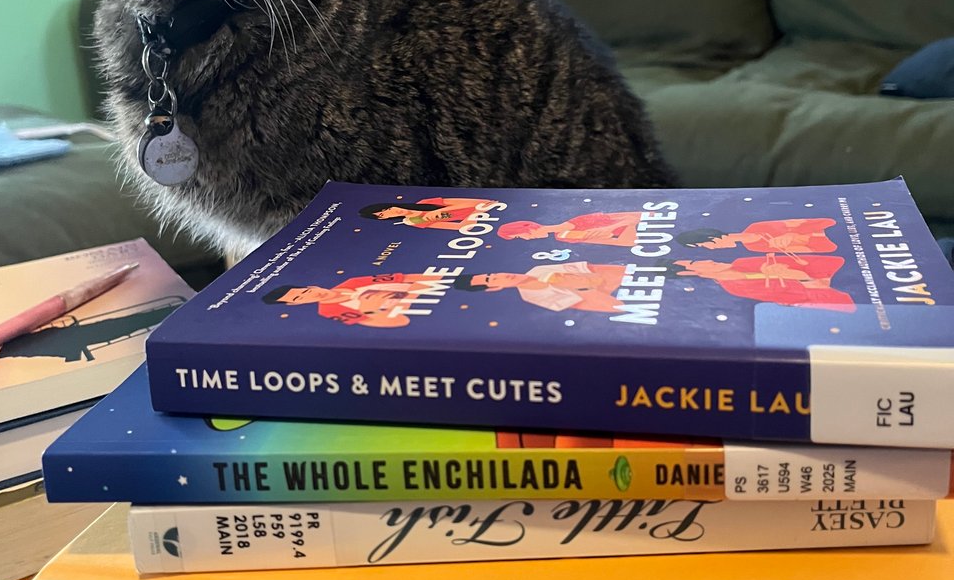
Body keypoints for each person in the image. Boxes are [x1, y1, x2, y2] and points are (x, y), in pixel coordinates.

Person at [670, 253, 855, 310]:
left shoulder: (742, 261)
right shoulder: (735, 289)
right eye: (697, 263)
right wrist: (801, 277)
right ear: (695, 274)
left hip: (846, 274)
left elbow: (831, 260)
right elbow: (795, 297)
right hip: (838, 298)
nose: (708, 260)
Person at [262, 272, 443, 327]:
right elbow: (396, 323)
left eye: (304, 292)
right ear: (296, 304)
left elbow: (411, 278)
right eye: (299, 299)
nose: (310, 296)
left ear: (312, 287)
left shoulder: (353, 282)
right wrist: (368, 308)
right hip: (425, 314)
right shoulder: (330, 311)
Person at [453, 263, 628, 314]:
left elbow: (615, 271)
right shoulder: (535, 297)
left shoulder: (540, 269)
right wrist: (574, 285)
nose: (502, 275)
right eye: (492, 280)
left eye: (493, 272)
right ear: (495, 288)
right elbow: (611, 306)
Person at [676, 217, 837, 254]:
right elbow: (820, 249)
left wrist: (793, 234)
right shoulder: (754, 248)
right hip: (829, 243)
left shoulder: (757, 226)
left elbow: (823, 221)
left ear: (708, 236)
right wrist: (798, 241)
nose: (710, 249)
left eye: (704, 245)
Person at [498, 211, 643, 246]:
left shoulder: (577, 219)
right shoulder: (563, 236)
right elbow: (627, 242)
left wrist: (613, 227)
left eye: (518, 236)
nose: (525, 238)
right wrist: (626, 225)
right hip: (645, 238)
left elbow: (635, 216)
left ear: (524, 228)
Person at [358, 198, 499, 230]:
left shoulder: (426, 202)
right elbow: (461, 227)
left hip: (495, 209)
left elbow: (481, 201)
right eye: (382, 215)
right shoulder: (414, 221)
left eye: (386, 208)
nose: (391, 212)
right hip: (484, 221)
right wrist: (477, 211)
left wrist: (438, 211)